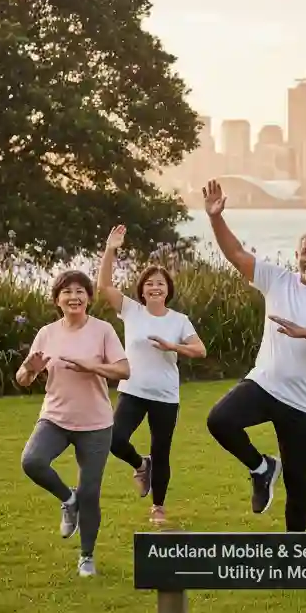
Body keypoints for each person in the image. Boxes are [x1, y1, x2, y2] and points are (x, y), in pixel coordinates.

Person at [201, 180, 306, 531]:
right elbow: (236, 254)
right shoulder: (277, 280)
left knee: (298, 484)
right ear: (297, 254)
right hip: (265, 385)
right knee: (219, 420)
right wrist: (215, 218)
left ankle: (294, 553)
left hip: (305, 405)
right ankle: (261, 468)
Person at [16, 270, 130, 578]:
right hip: (55, 417)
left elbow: (124, 371)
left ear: (89, 298)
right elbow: (22, 379)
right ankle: (68, 499)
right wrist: (30, 370)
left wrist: (93, 366)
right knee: (32, 461)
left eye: (80, 291)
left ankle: (87, 556)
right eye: (67, 292)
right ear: (57, 300)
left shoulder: (103, 330)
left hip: (95, 423)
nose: (74, 297)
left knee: (91, 492)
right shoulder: (47, 333)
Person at [97, 224, 207, 524]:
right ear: (142, 290)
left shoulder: (179, 320)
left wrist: (173, 346)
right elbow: (104, 285)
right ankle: (139, 463)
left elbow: (200, 350)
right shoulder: (131, 310)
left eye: (160, 283)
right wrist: (111, 249)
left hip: (165, 395)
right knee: (114, 439)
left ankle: (158, 508)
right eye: (149, 284)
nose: (155, 287)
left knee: (162, 450)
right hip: (133, 389)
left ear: (168, 290)